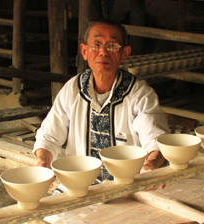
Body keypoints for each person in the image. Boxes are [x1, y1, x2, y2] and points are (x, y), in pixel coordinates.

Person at [33, 19, 169, 183]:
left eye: (112, 46)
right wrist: (44, 161)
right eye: (96, 45)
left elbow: (155, 141)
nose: (103, 52)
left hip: (126, 187)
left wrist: (150, 166)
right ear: (84, 51)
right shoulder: (73, 88)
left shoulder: (139, 94)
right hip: (76, 183)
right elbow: (49, 137)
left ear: (124, 53)